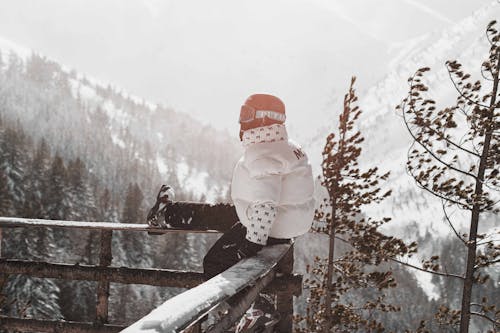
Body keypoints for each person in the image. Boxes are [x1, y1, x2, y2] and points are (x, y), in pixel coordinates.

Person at [202, 93, 315, 331]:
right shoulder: (287, 147)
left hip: (270, 228)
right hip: (286, 226)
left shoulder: (264, 153)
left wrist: (253, 242)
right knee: (222, 225)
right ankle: (253, 308)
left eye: (247, 115)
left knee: (214, 262)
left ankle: (255, 308)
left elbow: (265, 203)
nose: (241, 121)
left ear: (264, 119)